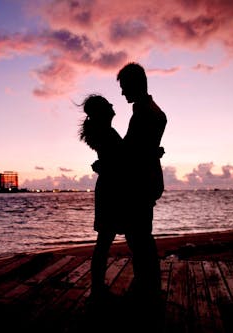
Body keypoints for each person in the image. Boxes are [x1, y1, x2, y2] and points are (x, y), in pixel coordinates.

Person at [117, 62, 167, 299]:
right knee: (139, 234)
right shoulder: (145, 110)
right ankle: (147, 283)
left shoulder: (147, 113)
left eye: (124, 87)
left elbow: (133, 149)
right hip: (145, 180)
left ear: (135, 85)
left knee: (139, 236)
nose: (122, 92)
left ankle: (147, 286)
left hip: (142, 182)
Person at [78, 94, 126, 300]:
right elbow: (118, 161)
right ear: (102, 111)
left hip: (110, 188)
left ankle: (98, 288)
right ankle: (97, 289)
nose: (113, 105)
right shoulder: (105, 133)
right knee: (104, 240)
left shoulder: (104, 132)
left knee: (104, 240)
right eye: (108, 104)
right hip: (110, 190)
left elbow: (115, 160)